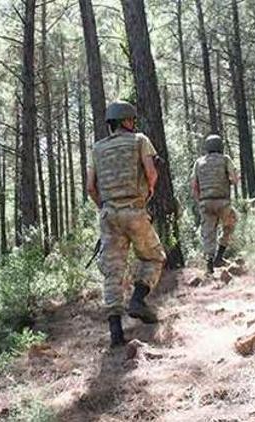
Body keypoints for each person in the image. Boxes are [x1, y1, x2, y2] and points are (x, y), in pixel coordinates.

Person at [86, 100, 167, 347]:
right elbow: (151, 172)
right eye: (131, 120)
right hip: (134, 210)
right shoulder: (139, 140)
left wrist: (105, 206)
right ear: (126, 121)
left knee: (113, 271)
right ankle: (138, 300)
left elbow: (90, 187)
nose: (133, 124)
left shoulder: (97, 148)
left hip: (109, 215)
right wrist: (148, 191)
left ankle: (116, 334)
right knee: (154, 257)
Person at [190, 134, 239, 274]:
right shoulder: (225, 159)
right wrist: (229, 181)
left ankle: (209, 264)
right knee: (231, 224)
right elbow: (235, 179)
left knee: (208, 232)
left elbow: (194, 185)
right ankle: (220, 256)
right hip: (223, 202)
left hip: (205, 202)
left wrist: (200, 201)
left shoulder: (198, 162)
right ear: (220, 146)